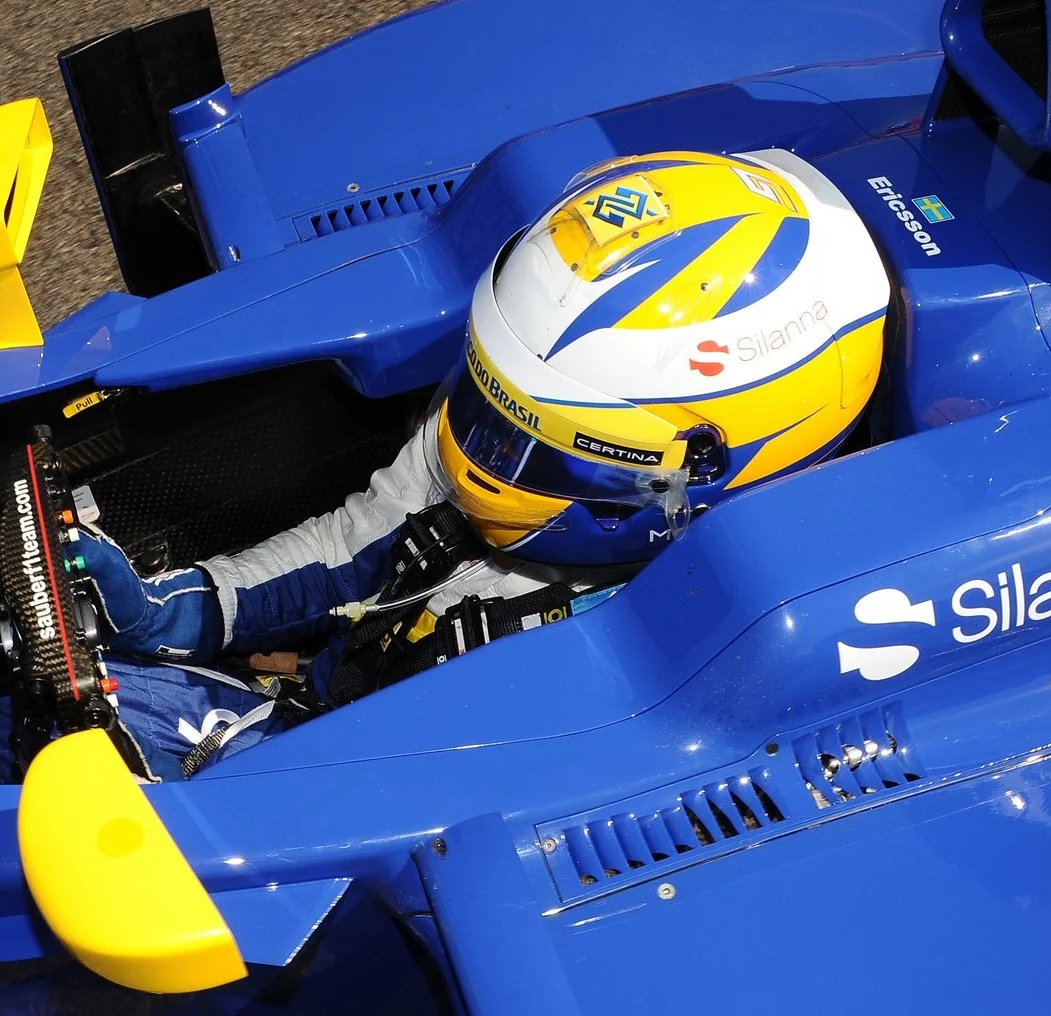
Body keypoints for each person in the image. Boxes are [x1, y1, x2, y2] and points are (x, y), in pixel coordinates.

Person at [66, 148, 890, 780]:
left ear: (692, 473)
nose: (477, 456)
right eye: (489, 401)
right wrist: (184, 609)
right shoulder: (518, 411)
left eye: (529, 440)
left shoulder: (707, 667)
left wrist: (256, 759)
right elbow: (360, 539)